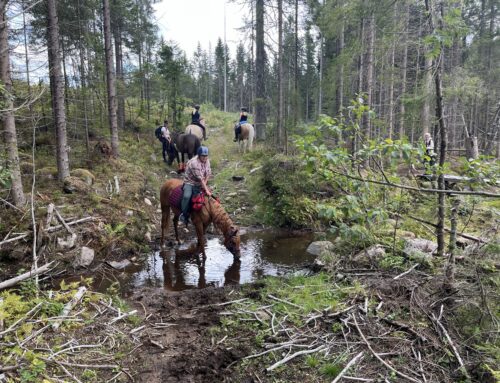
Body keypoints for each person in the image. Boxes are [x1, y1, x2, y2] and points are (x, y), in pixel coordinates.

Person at [180, 146, 212, 225]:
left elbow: (208, 173)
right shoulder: (194, 163)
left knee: (205, 198)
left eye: (206, 156)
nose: (205, 158)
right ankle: (184, 214)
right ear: (199, 155)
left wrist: (205, 183)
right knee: (187, 196)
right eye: (203, 156)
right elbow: (200, 178)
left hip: (200, 182)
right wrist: (206, 190)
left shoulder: (207, 161)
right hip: (190, 182)